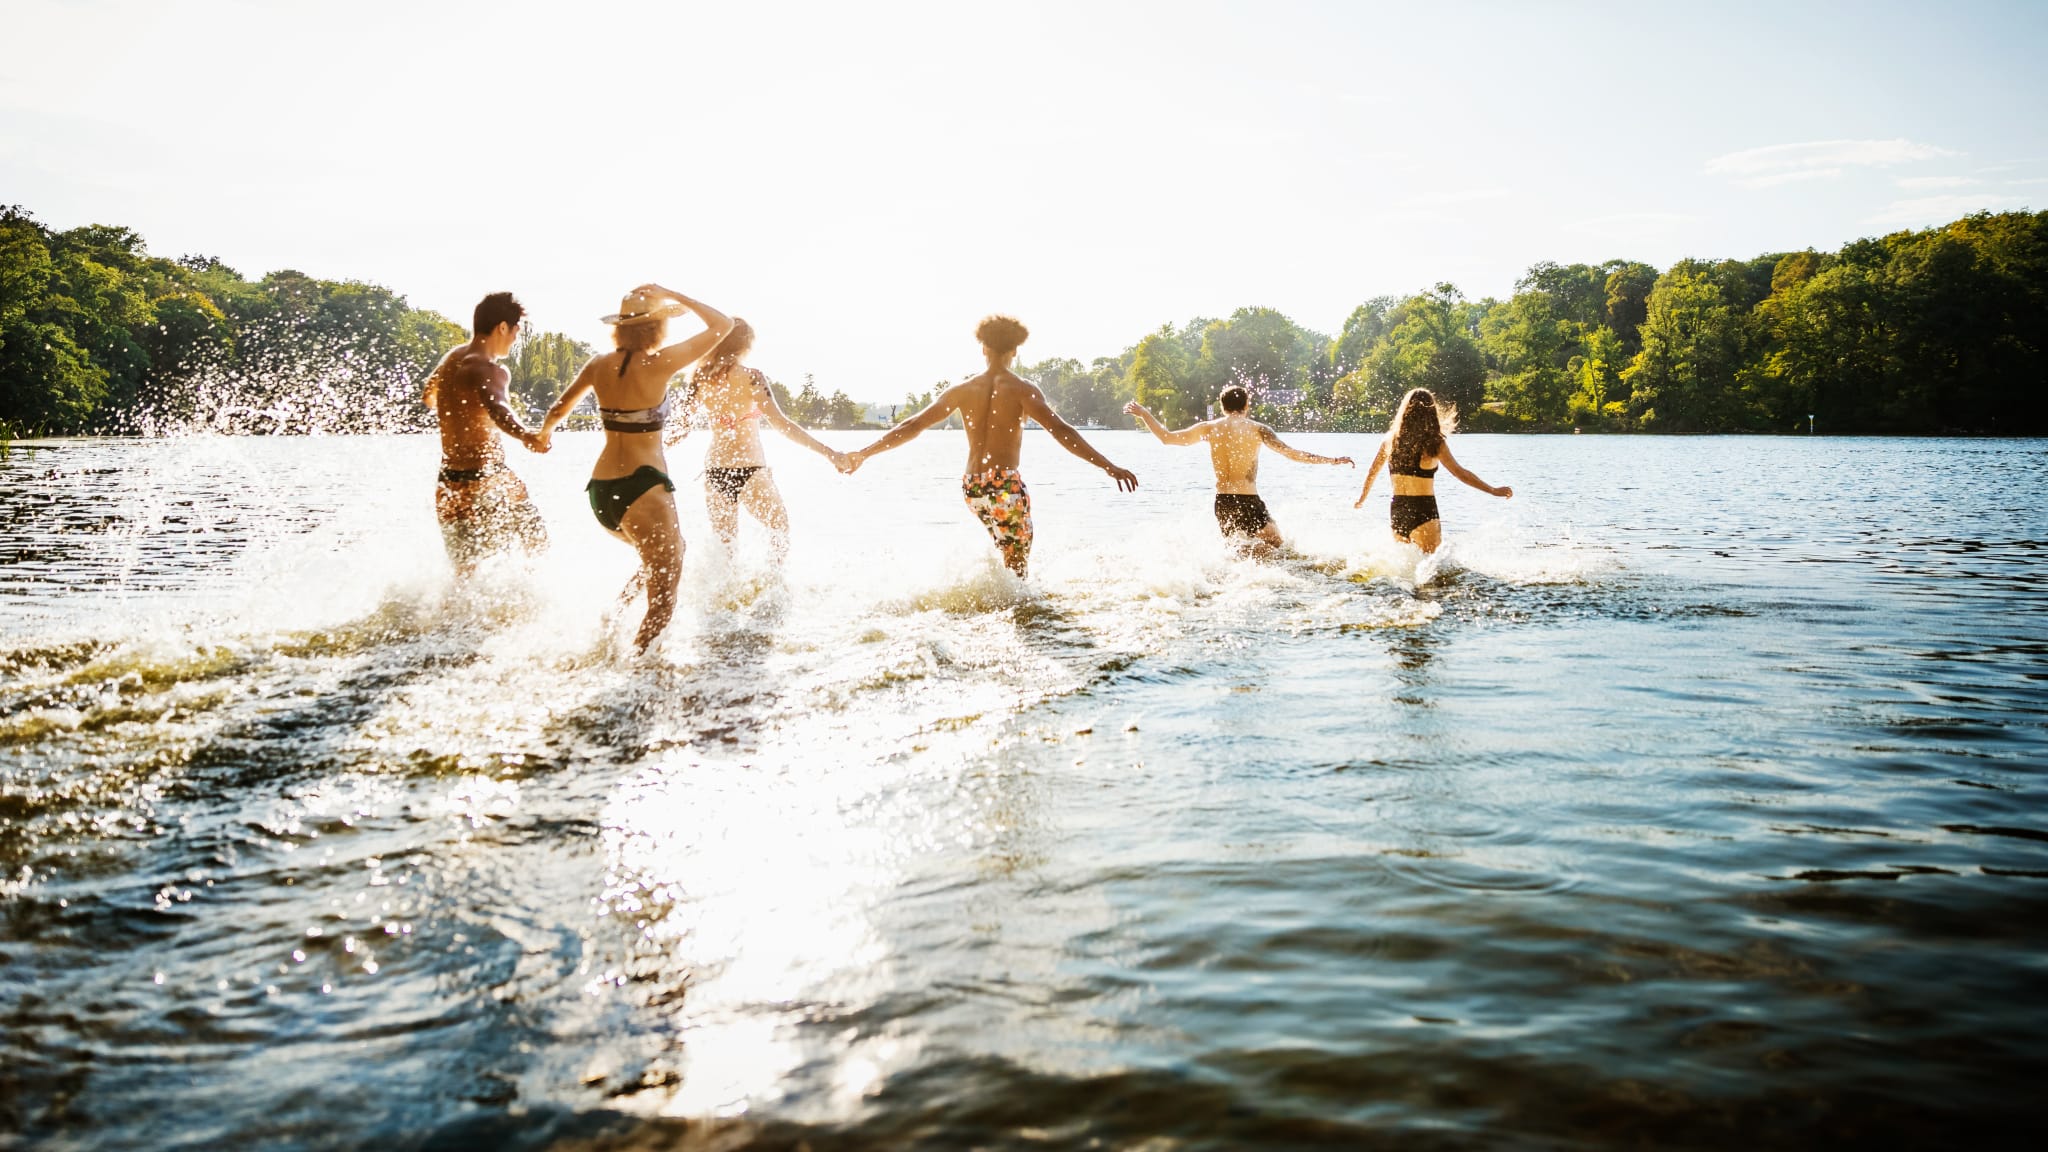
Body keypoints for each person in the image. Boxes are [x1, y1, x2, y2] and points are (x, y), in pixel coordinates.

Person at [842, 314, 1137, 578]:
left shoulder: (962, 390)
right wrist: (1108, 466)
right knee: (1018, 566)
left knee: (1007, 553)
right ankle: (1017, 612)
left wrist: (865, 453)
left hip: (972, 487)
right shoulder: (1023, 390)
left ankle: (994, 604)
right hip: (1004, 485)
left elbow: (913, 425)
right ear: (1015, 351)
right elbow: (1061, 431)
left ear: (983, 348)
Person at [538, 285, 732, 651]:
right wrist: (675, 295)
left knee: (665, 553)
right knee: (663, 601)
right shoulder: (661, 363)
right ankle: (640, 670)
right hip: (644, 488)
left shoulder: (598, 365)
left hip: (601, 492)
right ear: (656, 327)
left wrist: (542, 436)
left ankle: (611, 622)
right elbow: (723, 324)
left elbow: (558, 410)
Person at [679, 319, 849, 563]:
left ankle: (724, 588)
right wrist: (829, 453)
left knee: (725, 550)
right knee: (779, 528)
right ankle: (773, 580)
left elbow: (680, 427)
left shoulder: (700, 378)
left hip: (716, 470)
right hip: (750, 467)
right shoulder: (752, 377)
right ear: (745, 345)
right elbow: (782, 424)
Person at [1124, 385, 1352, 558]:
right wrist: (1331, 460)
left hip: (1223, 503)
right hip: (1248, 501)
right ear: (1246, 406)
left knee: (1238, 553)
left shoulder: (1209, 428)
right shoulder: (1258, 429)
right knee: (1279, 549)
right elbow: (1291, 453)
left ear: (1223, 407)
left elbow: (1167, 438)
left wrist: (1144, 413)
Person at [421, 291, 550, 575]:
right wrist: (527, 435)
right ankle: (531, 599)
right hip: (487, 479)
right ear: (502, 327)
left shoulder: (452, 358)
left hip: (448, 483)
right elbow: (500, 410)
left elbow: (428, 396)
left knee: (465, 574)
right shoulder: (489, 370)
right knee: (536, 543)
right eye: (516, 331)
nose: (515, 339)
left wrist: (458, 411)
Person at [1353, 388, 1512, 553]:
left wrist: (1362, 499)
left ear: (1404, 411)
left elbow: (1372, 471)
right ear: (1431, 412)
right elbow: (1460, 473)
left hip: (1398, 509)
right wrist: (1492, 490)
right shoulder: (1434, 443)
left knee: (1405, 562)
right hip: (1423, 509)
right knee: (1431, 563)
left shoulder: (1390, 440)